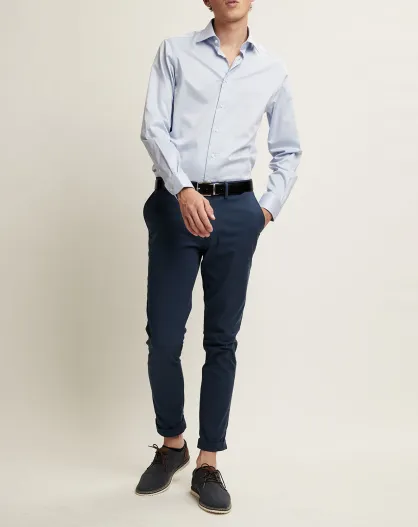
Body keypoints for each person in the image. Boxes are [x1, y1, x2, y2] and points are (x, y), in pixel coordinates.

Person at [135, 0, 302, 514]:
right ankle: (173, 444)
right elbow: (153, 127)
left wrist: (264, 210)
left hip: (236, 212)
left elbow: (288, 150)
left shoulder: (272, 69)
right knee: (164, 337)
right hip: (176, 205)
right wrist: (183, 190)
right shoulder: (175, 52)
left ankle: (207, 461)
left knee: (221, 340)